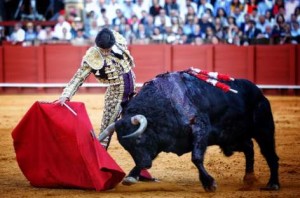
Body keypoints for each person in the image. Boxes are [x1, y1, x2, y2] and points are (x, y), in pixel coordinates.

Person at [56, 28, 155, 181]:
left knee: (139, 132)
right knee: (105, 135)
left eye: (108, 48)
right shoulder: (93, 56)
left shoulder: (117, 41)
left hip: (132, 95)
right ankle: (95, 170)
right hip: (114, 97)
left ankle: (140, 170)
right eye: (104, 50)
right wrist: (66, 95)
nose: (107, 52)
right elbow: (78, 77)